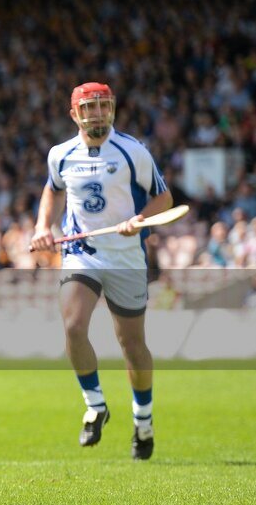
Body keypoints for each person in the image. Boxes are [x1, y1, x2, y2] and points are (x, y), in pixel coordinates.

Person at [31, 83, 173, 461]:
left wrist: (141, 219)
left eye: (103, 107)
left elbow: (165, 198)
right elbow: (52, 190)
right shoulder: (60, 154)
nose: (97, 114)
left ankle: (143, 421)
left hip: (126, 258)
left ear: (112, 109)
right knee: (74, 326)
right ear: (74, 114)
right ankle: (95, 405)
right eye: (89, 108)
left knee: (132, 344)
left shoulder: (133, 151)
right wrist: (43, 226)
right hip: (83, 254)